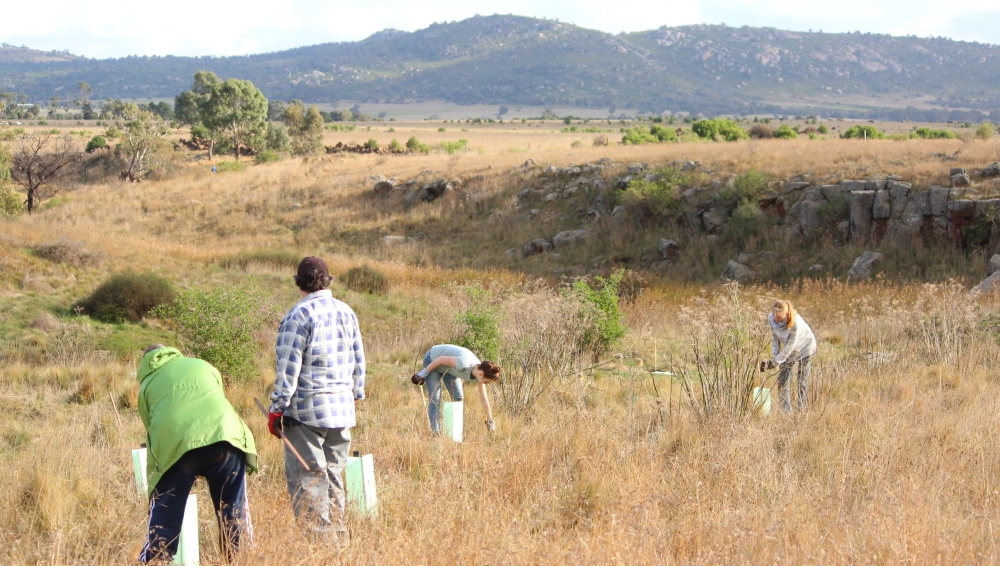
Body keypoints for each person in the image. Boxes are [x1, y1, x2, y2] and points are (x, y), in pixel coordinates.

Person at [267, 256, 365, 544]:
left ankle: (319, 551)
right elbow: (359, 359)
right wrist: (356, 393)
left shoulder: (298, 315)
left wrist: (276, 409)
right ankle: (340, 544)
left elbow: (288, 367)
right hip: (342, 411)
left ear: (299, 282)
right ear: (327, 280)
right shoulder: (347, 312)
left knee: (309, 482)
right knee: (334, 478)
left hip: (306, 413)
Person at [137, 344, 258, 563]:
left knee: (166, 513)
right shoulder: (201, 364)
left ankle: (155, 560)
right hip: (225, 436)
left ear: (146, 362)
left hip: (177, 445)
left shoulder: (146, 383)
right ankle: (240, 560)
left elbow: (151, 429)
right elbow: (216, 397)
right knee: (233, 512)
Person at [411, 344, 501, 436]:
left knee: (458, 397)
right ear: (482, 374)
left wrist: (490, 420)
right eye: (486, 382)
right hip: (433, 360)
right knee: (435, 398)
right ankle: (436, 433)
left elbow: (484, 399)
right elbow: (440, 359)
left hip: (450, 368)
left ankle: (453, 434)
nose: (486, 384)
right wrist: (423, 373)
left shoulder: (479, 371)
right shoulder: (464, 363)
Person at [765, 300, 817, 413]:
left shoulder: (795, 322)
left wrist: (776, 362)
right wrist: (775, 356)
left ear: (786, 314)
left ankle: (801, 412)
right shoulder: (771, 318)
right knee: (782, 380)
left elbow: (790, 345)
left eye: (778, 317)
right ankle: (785, 412)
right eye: (774, 314)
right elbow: (775, 338)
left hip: (805, 348)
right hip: (788, 350)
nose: (775, 318)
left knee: (801, 381)